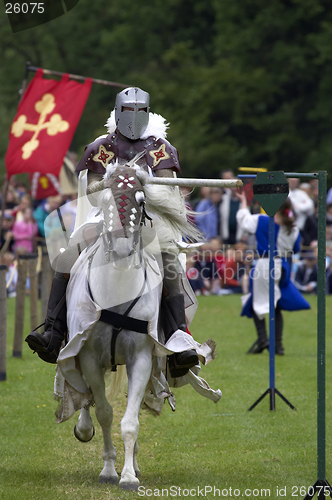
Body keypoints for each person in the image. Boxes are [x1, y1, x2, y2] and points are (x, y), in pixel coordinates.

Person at [26, 87, 199, 378]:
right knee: (66, 259)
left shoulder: (160, 148)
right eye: (128, 111)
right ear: (118, 111)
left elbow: (168, 189)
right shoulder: (101, 146)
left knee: (170, 264)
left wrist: (144, 183)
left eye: (139, 111)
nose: (133, 118)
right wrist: (112, 183)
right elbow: (92, 192)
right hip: (105, 217)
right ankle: (53, 332)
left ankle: (178, 339)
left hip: (147, 220)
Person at [236, 192, 310, 355]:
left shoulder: (262, 220)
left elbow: (244, 220)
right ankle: (277, 345)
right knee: (274, 305)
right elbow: (296, 249)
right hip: (282, 266)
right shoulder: (292, 227)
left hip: (264, 265)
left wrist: (243, 201)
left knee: (256, 303)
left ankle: (264, 340)